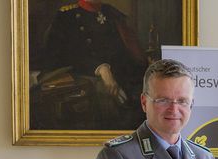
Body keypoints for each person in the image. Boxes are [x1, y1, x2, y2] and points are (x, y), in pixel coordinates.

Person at [41, 0, 147, 129]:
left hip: (123, 79)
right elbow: (62, 58)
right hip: (89, 81)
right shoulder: (67, 16)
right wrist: (100, 68)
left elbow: (127, 54)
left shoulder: (112, 13)